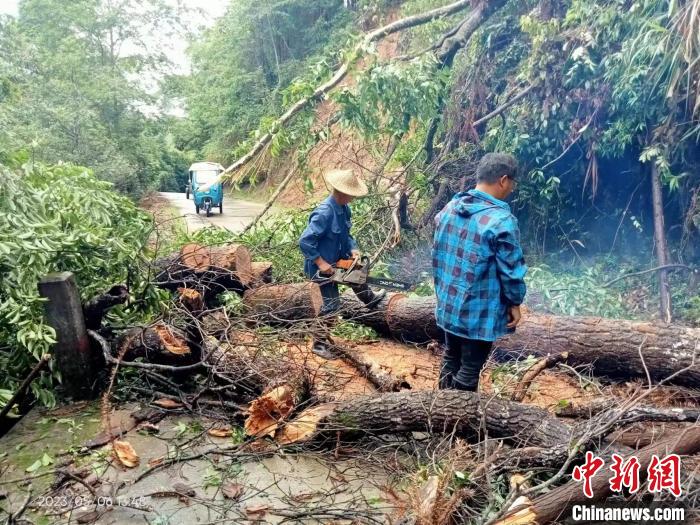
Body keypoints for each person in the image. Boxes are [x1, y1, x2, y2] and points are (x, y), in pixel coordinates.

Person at [432, 153, 527, 391]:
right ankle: (457, 423)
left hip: (449, 306)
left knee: (450, 358)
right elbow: (512, 271)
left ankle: (437, 415)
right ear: (503, 180)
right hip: (479, 314)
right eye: (512, 183)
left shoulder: (450, 208)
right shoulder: (501, 221)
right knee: (469, 370)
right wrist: (515, 303)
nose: (512, 189)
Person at [299, 168, 380, 358]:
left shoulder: (344, 209)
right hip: (321, 268)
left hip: (338, 261)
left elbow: (347, 235)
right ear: (342, 193)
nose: (352, 199)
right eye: (350, 195)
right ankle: (318, 344)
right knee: (332, 304)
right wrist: (320, 262)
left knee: (358, 273)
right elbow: (305, 241)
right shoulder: (324, 213)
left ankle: (370, 299)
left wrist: (354, 249)